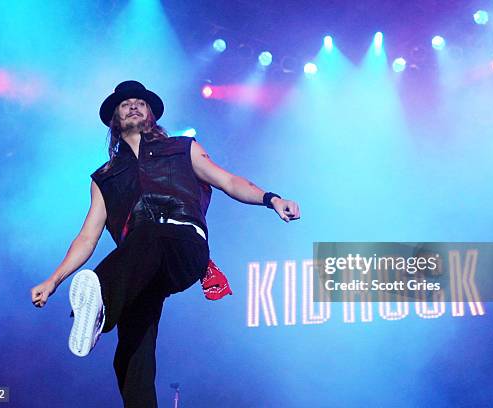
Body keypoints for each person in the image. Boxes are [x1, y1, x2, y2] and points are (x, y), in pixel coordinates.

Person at [30, 80, 300, 407]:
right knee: (132, 349)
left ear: (151, 115)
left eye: (140, 102)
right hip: (138, 266)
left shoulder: (182, 149)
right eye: (125, 103)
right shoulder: (105, 177)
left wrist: (270, 199)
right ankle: (105, 320)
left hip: (183, 244)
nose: (133, 105)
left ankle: (100, 304)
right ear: (115, 118)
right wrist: (54, 279)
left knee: (151, 232)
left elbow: (228, 180)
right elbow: (87, 236)